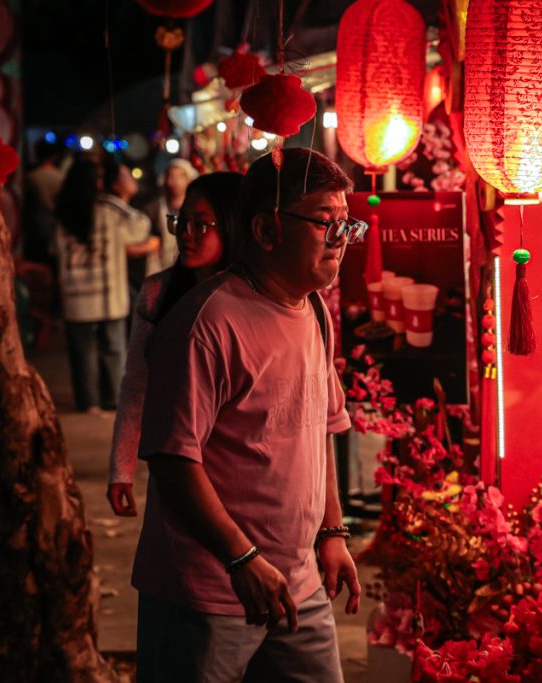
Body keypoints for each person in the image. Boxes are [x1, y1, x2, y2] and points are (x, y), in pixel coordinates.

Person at [133, 148, 367, 681]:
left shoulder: (312, 310)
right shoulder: (206, 325)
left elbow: (322, 430)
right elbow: (172, 459)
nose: (341, 241)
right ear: (265, 230)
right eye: (325, 224)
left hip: (299, 582)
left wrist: (332, 531)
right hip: (207, 590)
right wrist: (240, 559)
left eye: (346, 225)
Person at [106, 172, 242, 517]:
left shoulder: (255, 299)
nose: (185, 234)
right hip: (176, 462)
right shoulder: (157, 293)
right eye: (181, 221)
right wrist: (122, 468)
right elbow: (137, 384)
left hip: (241, 464)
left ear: (232, 225)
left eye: (200, 224)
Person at [53, 158, 158, 413]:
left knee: (82, 351)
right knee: (114, 347)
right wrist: (115, 199)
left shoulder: (64, 213)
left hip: (75, 293)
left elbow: (55, 249)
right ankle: (114, 398)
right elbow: (141, 225)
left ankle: (88, 401)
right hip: (107, 292)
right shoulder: (109, 210)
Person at [143, 158, 199, 274]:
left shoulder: (196, 207)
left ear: (188, 179)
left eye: (179, 177)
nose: (174, 182)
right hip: (160, 267)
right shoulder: (154, 208)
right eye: (171, 176)